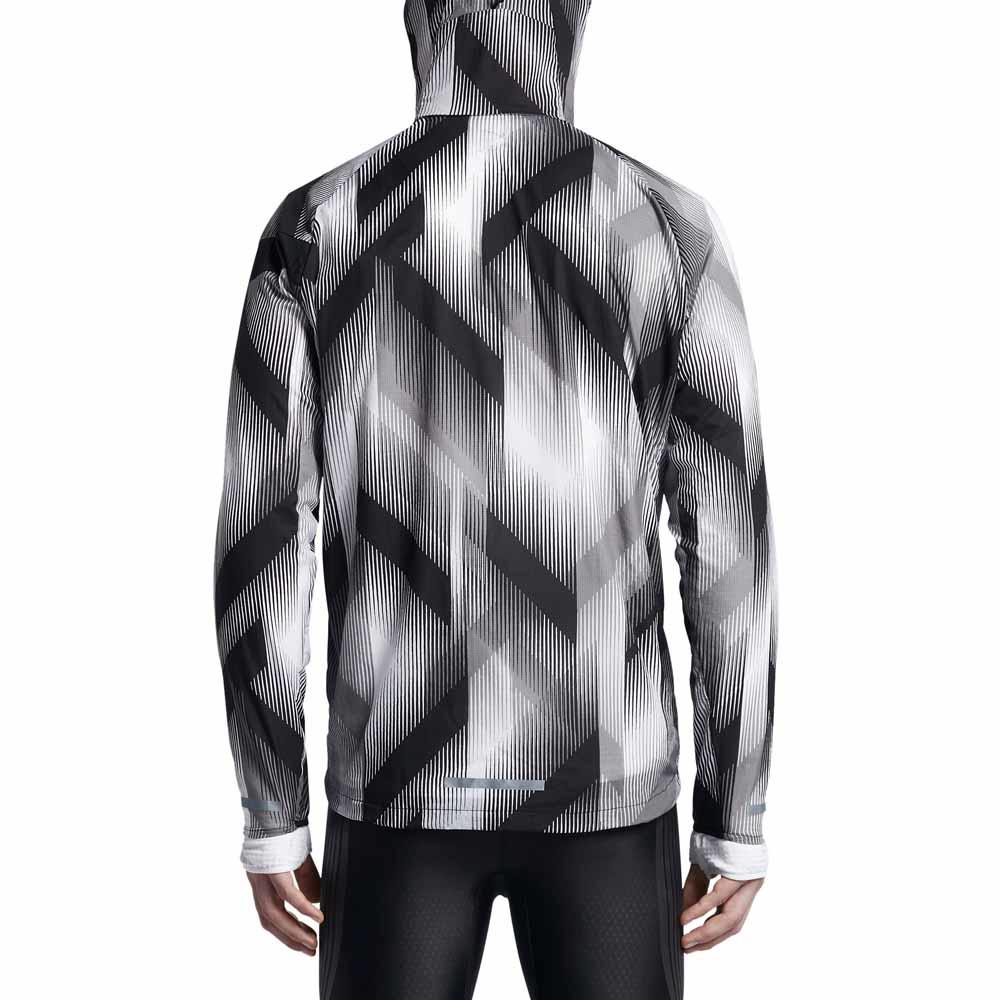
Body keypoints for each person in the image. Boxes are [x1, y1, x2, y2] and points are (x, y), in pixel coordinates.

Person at [213, 2, 777, 997]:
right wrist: (735, 811)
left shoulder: (319, 224)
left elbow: (261, 535)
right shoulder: (661, 226)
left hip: (396, 777)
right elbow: (728, 548)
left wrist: (272, 809)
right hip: (603, 773)